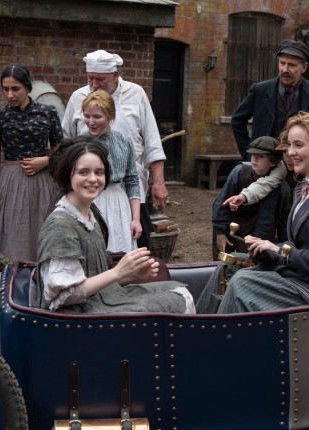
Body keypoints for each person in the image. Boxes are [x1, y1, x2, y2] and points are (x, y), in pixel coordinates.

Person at [197, 108, 309, 314]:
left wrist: (278, 251)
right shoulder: (304, 187)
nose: (290, 152)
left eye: (298, 145)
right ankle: (196, 325)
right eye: (290, 145)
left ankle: (216, 334)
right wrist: (265, 249)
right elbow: (298, 245)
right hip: (303, 274)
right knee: (227, 265)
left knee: (242, 282)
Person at [34, 137, 194, 314]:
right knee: (176, 301)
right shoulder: (60, 225)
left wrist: (129, 275)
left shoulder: (87, 215)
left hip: (99, 300)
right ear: (67, 175)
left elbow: (92, 278)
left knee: (177, 291)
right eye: (83, 172)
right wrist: (118, 272)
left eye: (99, 172)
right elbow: (64, 294)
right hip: (77, 316)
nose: (93, 179)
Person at [61, 49, 167, 248]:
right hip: (86, 190)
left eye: (100, 79)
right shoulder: (78, 97)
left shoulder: (136, 94)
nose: (94, 84)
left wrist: (159, 183)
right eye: (90, 78)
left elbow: (152, 142)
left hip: (130, 187)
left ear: (115, 75)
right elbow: (65, 143)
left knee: (137, 242)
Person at [0, 63, 63, 261]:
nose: (10, 95)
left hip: (44, 184)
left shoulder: (47, 112)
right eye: (5, 89)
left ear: (28, 87)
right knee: (13, 237)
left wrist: (46, 161)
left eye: (15, 89)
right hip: (11, 184)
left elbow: (63, 151)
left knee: (44, 235)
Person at [231, 39, 309, 161]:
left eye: (291, 65)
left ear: (304, 68)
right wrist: (248, 152)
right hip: (266, 162)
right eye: (282, 63)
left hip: (301, 162)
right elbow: (237, 120)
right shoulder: (261, 90)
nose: (285, 69)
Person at [82, 90, 140, 253]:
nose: (91, 122)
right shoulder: (80, 143)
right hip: (88, 200)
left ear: (110, 116)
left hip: (117, 204)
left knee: (118, 252)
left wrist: (136, 219)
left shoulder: (123, 142)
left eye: (97, 117)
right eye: (87, 116)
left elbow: (132, 180)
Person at [211, 136, 282, 260]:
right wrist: (220, 232)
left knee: (250, 263)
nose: (254, 159)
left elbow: (267, 219)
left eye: (261, 156)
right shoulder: (240, 171)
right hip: (228, 223)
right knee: (221, 261)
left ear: (273, 161)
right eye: (253, 154)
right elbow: (221, 204)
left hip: (253, 228)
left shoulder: (275, 184)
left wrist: (257, 243)